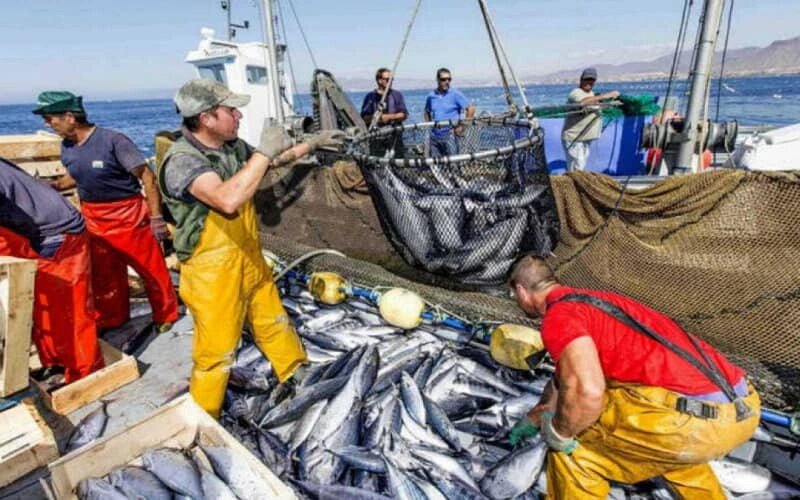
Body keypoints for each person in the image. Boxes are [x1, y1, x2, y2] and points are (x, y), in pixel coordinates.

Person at [158, 79, 344, 417]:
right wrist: (261, 152)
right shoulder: (183, 161)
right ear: (206, 118)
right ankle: (205, 417)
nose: (238, 115)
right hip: (210, 269)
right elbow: (227, 199)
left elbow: (270, 162)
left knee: (272, 318)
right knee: (216, 351)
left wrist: (311, 144)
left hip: (247, 255)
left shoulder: (229, 146)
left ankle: (294, 371)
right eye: (230, 110)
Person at [507, 255, 760, 499]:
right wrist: (534, 417)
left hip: (689, 422)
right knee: (658, 450)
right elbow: (563, 383)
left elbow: (588, 392)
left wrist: (560, 434)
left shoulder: (558, 318)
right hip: (739, 411)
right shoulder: (599, 301)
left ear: (521, 291)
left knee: (575, 454)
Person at [33, 91, 179, 332]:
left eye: (50, 118)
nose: (47, 124)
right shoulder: (67, 147)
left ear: (70, 117)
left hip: (128, 215)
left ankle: (166, 314)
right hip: (93, 218)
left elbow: (147, 177)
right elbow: (75, 174)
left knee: (150, 269)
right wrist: (57, 185)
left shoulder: (113, 141)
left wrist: (156, 218)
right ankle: (114, 318)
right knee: (104, 274)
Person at [0, 157, 104, 383]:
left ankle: (85, 374)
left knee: (69, 312)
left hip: (56, 234)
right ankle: (56, 363)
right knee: (38, 305)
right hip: (31, 229)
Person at [561, 67, 619, 171]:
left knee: (580, 166)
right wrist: (606, 96)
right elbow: (583, 103)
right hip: (574, 138)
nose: (589, 82)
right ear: (581, 80)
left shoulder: (591, 94)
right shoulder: (576, 93)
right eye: (587, 79)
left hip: (585, 139)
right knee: (578, 167)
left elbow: (595, 105)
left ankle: (574, 185)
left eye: (592, 80)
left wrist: (609, 104)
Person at [423, 68, 475, 158]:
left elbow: (471, 109)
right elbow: (426, 111)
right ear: (437, 80)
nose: (447, 82)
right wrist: (430, 126)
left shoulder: (455, 94)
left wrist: (462, 127)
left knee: (453, 165)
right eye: (443, 79)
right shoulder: (431, 96)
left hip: (450, 136)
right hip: (435, 137)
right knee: (437, 165)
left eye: (449, 79)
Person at [360, 67, 408, 158]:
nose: (390, 82)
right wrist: (375, 118)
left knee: (397, 164)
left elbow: (404, 114)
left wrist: (388, 117)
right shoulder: (370, 97)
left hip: (394, 138)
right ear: (379, 80)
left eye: (391, 79)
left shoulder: (396, 95)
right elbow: (364, 118)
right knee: (378, 165)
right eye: (387, 79)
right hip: (377, 138)